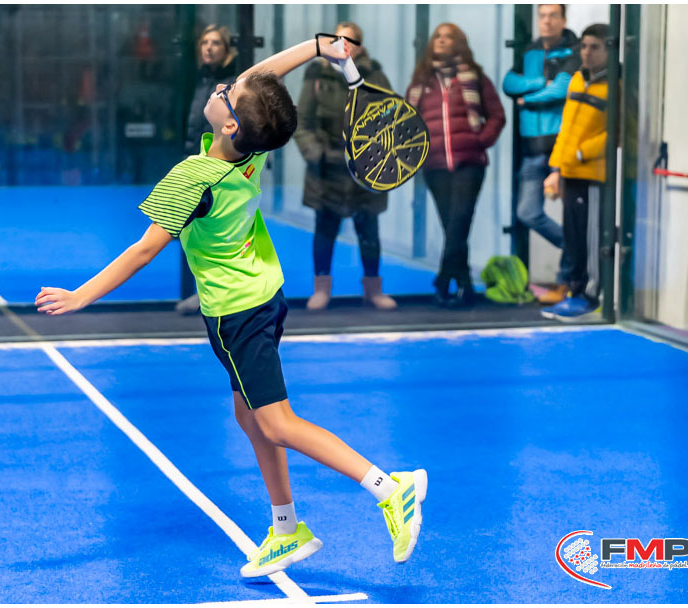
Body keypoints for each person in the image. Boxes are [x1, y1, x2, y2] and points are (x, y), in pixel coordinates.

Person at [36, 35, 427, 577]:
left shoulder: (192, 177)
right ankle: (286, 530)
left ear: (229, 125)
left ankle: (389, 487)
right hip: (265, 296)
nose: (222, 87)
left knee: (278, 423)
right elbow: (259, 81)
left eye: (226, 94)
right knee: (250, 416)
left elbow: (144, 250)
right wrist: (317, 47)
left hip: (236, 314)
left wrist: (82, 295)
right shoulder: (254, 146)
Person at [294, 22, 396, 310]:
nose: (343, 43)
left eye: (349, 39)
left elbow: (390, 118)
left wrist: (375, 156)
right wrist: (316, 154)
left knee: (369, 231)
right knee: (325, 230)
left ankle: (373, 290)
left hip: (366, 170)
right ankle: (321, 289)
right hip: (326, 169)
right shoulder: (317, 75)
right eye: (338, 38)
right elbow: (302, 123)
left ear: (360, 46)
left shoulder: (375, 76)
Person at [406, 23, 506, 307]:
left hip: (469, 164)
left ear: (459, 43)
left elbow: (497, 116)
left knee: (459, 221)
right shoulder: (420, 83)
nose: (441, 40)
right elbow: (407, 121)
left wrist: (479, 141)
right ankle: (465, 284)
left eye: (448, 37)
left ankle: (442, 279)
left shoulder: (475, 78)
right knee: (453, 227)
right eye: (437, 36)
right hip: (434, 165)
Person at [502, 4, 579, 305]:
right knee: (527, 213)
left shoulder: (573, 52)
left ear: (563, 19)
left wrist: (528, 100)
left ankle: (565, 282)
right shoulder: (529, 51)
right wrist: (537, 84)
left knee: (572, 217)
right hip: (531, 149)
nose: (546, 21)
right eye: (542, 16)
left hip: (560, 147)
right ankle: (575, 249)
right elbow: (509, 83)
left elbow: (561, 90)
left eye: (552, 16)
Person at [541, 24, 611, 321]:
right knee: (573, 238)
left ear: (609, 50)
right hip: (570, 172)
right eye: (584, 46)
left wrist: (583, 153)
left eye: (595, 47)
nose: (587, 52)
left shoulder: (616, 85)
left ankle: (591, 296)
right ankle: (575, 291)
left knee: (591, 239)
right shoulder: (577, 80)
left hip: (593, 176)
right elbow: (566, 129)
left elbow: (619, 131)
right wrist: (556, 167)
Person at [177, 25, 239, 315]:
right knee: (192, 231)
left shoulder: (233, 83)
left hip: (219, 170)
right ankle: (202, 292)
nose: (209, 47)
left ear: (227, 49)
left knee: (218, 234)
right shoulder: (200, 80)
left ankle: (218, 294)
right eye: (204, 42)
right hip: (196, 166)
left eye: (215, 42)